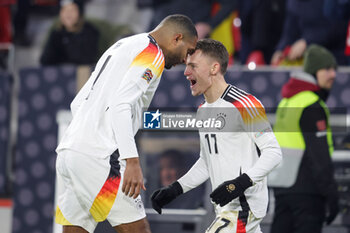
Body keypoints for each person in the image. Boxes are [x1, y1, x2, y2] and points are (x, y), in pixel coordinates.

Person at [55, 14, 197, 233]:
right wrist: (131, 161)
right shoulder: (153, 54)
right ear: (176, 38)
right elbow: (122, 104)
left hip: (70, 152)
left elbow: (78, 102)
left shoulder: (121, 45)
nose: (186, 61)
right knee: (138, 230)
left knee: (77, 228)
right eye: (188, 51)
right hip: (99, 158)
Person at [151, 39, 282, 233]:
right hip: (225, 209)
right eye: (187, 66)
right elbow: (207, 162)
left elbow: (273, 153)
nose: (186, 73)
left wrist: (239, 184)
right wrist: (176, 189)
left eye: (193, 66)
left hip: (243, 208)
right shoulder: (203, 111)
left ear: (214, 68)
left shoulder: (244, 104)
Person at [270, 44, 339, 233]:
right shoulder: (312, 105)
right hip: (308, 193)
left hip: (283, 189)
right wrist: (332, 195)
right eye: (327, 69)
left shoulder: (287, 101)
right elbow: (319, 157)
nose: (333, 74)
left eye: (334, 69)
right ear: (314, 72)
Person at [40, 0, 100, 65]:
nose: (68, 14)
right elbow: (45, 60)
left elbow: (86, 60)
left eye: (72, 10)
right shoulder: (56, 34)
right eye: (64, 10)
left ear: (80, 13)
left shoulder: (90, 32)